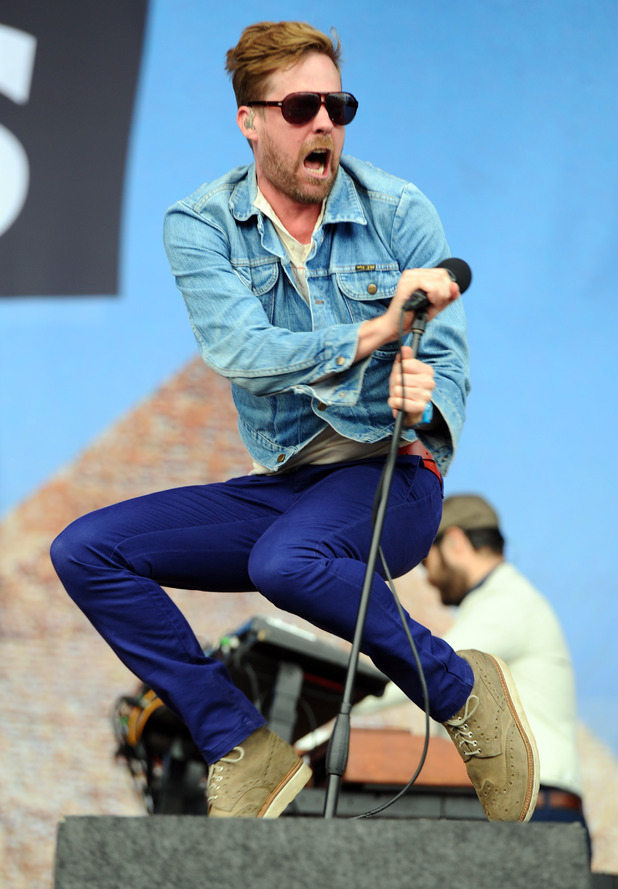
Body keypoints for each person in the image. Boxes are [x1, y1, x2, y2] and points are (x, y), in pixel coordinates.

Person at [50, 21, 539, 822]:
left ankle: (460, 690)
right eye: (303, 107)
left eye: (338, 106)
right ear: (250, 120)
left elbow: (447, 358)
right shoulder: (200, 223)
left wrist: (424, 393)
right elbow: (240, 348)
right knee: (85, 549)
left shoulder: (398, 208)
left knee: (287, 559)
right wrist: (373, 334)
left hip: (393, 476)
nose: (325, 124)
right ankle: (240, 743)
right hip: (287, 487)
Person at [422, 494, 590, 843]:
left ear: (454, 543)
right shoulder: (502, 601)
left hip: (537, 812)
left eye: (426, 561)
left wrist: (326, 716)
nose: (427, 577)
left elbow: (425, 670)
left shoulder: (505, 603)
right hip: (534, 807)